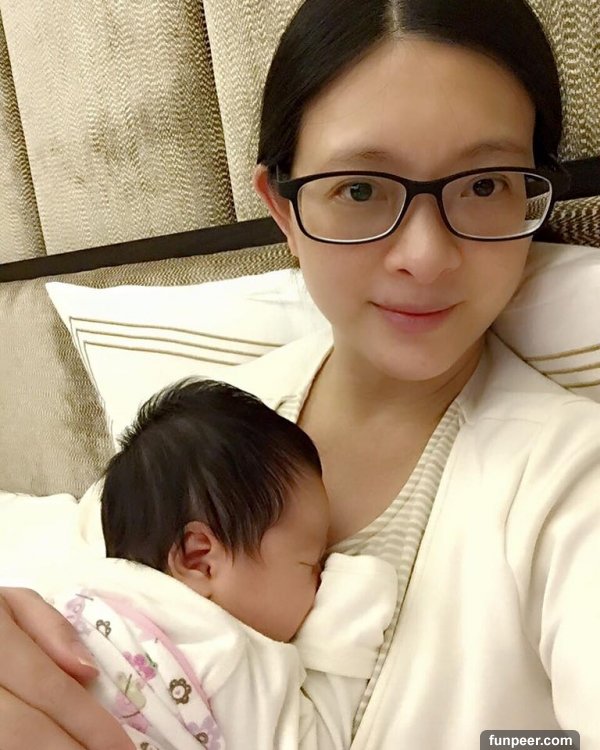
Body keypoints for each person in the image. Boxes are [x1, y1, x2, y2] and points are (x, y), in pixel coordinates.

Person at [0, 0, 599, 748]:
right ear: (283, 211)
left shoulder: (573, 483)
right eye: (360, 189)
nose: (426, 257)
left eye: (483, 186)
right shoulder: (203, 433)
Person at [49, 378, 396, 750]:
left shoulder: (82, 595)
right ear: (200, 559)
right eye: (310, 562)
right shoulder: (223, 651)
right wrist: (354, 603)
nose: (322, 578)